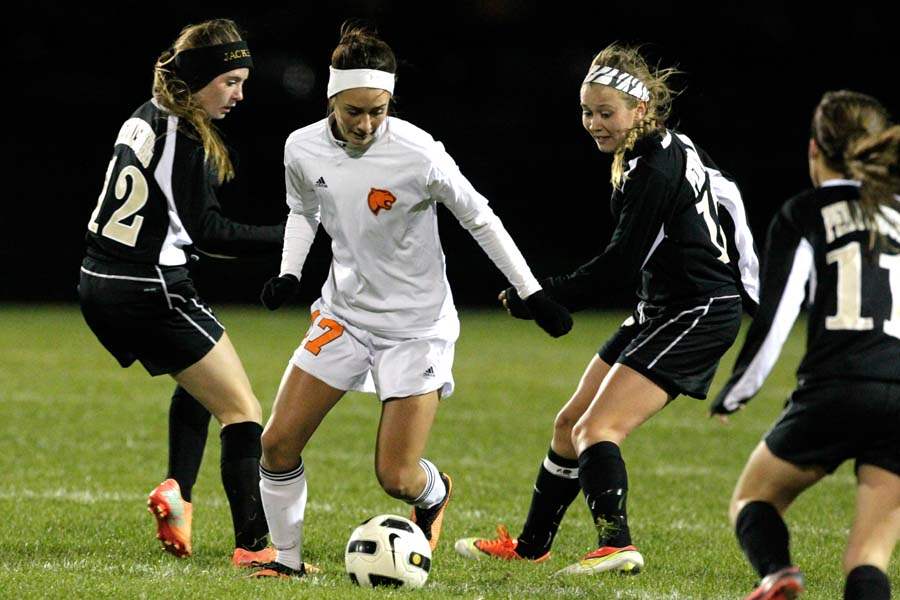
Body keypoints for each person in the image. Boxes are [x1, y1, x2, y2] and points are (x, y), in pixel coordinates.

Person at [248, 23, 572, 579]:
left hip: (416, 328)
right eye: (353, 111)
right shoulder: (301, 147)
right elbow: (303, 210)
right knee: (276, 443)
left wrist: (532, 291)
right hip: (344, 315)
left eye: (377, 111)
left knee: (396, 477)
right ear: (331, 100)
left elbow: (479, 217)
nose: (365, 124)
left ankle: (434, 492)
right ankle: (287, 561)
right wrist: (289, 271)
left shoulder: (418, 151)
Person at [455, 43, 760, 576]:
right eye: (587, 112)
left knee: (596, 429)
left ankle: (616, 544)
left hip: (696, 310)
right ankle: (531, 546)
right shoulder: (666, 146)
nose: (594, 124)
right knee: (568, 424)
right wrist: (748, 275)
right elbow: (729, 197)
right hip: (662, 305)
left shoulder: (654, 167)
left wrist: (540, 296)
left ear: (640, 109)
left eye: (605, 113)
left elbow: (619, 264)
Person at [78, 18, 283, 567]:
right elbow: (209, 232)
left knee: (200, 383)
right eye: (230, 82)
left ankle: (179, 496)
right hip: (149, 288)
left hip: (100, 280)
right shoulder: (183, 137)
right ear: (197, 79)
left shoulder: (146, 114)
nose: (239, 95)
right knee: (242, 411)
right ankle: (256, 550)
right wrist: (293, 238)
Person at [710, 91, 899, 600]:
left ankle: (777, 574)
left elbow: (777, 317)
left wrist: (737, 390)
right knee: (868, 558)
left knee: (753, 499)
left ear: (815, 148)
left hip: (835, 388)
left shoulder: (806, 213)